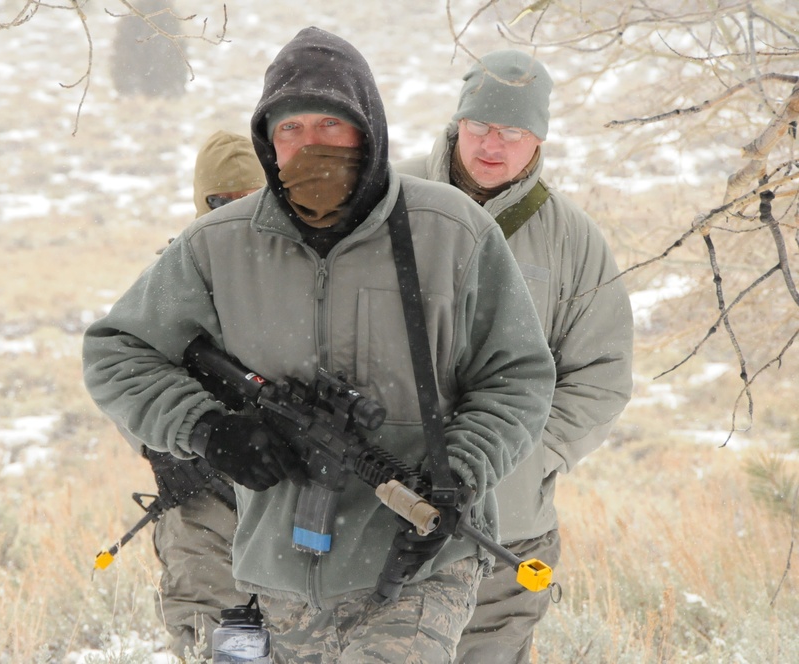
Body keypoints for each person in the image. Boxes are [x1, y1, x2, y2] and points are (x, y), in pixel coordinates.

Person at [83, 27, 556, 663]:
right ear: (268, 144)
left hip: (420, 558)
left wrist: (460, 471)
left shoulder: (450, 232)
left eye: (331, 126)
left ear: (369, 129)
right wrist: (207, 429)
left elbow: (519, 374)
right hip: (274, 567)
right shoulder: (218, 245)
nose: (310, 145)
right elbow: (117, 352)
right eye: (291, 129)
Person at [397, 49, 635, 664]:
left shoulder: (574, 241)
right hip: (384, 513)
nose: (492, 145)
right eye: (479, 126)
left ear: (538, 140)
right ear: (456, 125)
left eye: (513, 132)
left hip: (506, 528)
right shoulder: (386, 206)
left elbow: (602, 375)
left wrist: (530, 458)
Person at [138, 129, 266, 659]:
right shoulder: (170, 280)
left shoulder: (305, 275)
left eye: (246, 199)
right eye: (218, 201)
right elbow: (128, 378)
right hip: (201, 513)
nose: (230, 212)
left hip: (291, 505)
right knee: (222, 648)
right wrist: (175, 444)